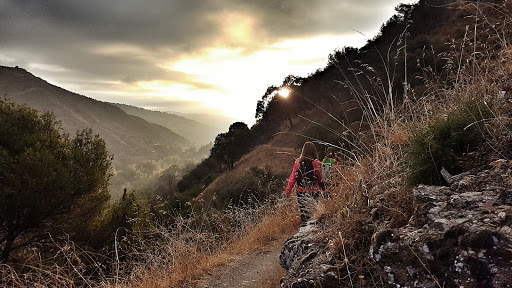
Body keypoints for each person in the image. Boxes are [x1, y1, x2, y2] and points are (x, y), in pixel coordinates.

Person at [285, 141, 325, 224]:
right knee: (313, 210)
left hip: (300, 191)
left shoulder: (297, 162)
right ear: (314, 151)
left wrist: (288, 190)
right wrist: (324, 188)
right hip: (314, 191)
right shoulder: (317, 163)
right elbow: (320, 177)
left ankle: (304, 226)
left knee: (304, 212)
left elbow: (293, 177)